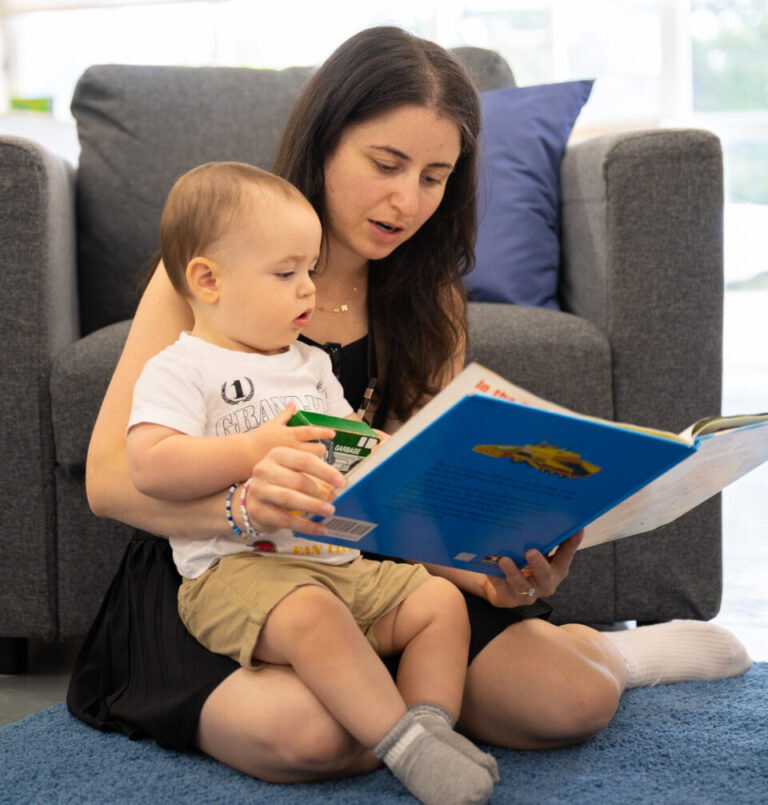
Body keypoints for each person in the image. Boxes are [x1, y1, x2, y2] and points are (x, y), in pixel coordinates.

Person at [69, 25, 751, 787]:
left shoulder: (431, 301)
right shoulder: (218, 271)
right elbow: (109, 483)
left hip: (365, 567)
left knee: (571, 700)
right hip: (218, 568)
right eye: (386, 165)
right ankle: (404, 714)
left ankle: (620, 655)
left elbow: (396, 503)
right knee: (318, 735)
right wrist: (244, 507)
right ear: (325, 142)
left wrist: (484, 573)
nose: (407, 200)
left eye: (435, 176)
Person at [124, 160, 498, 803]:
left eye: (311, 271)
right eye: (286, 273)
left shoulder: (311, 367)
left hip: (337, 558)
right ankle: (407, 748)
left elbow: (351, 443)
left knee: (438, 604)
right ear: (208, 280)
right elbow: (148, 465)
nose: (308, 291)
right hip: (240, 570)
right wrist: (251, 449)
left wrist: (384, 456)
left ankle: (427, 729)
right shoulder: (181, 367)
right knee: (315, 614)